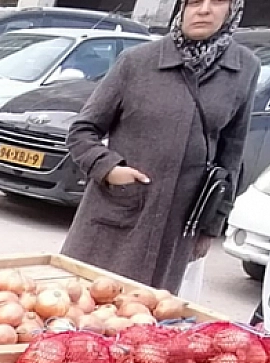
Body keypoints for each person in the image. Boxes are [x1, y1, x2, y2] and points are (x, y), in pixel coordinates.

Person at [61, 0, 258, 293]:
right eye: (194, 1)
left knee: (148, 312)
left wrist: (211, 226)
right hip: (114, 218)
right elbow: (82, 131)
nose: (203, 10)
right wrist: (109, 169)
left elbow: (232, 153)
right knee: (84, 306)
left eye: (216, 1)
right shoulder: (137, 62)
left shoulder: (243, 69)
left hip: (177, 227)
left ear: (233, 10)